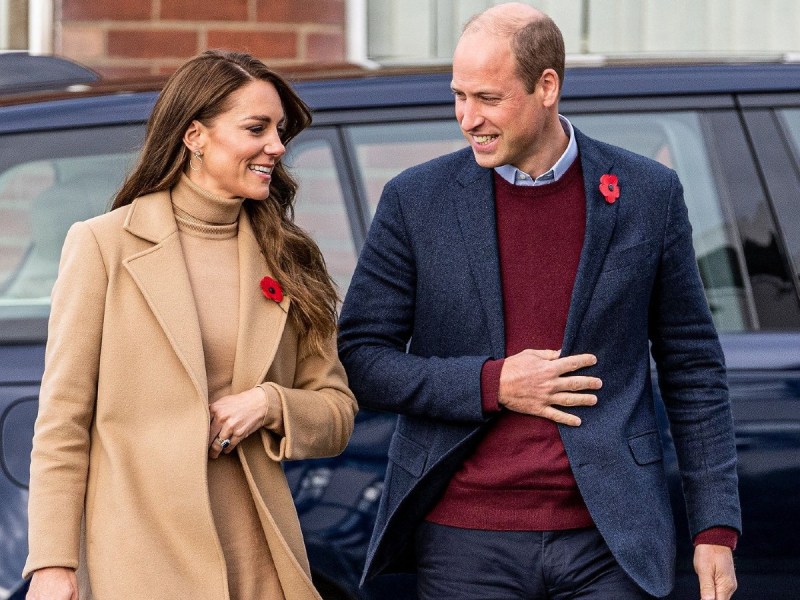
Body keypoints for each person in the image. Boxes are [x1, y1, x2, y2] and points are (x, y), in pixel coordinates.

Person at [338, 4, 740, 599]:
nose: (466, 118)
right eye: (458, 95)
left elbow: (693, 366)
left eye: (488, 98)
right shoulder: (414, 201)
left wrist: (716, 527)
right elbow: (363, 360)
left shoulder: (647, 193)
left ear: (547, 85)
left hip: (608, 540)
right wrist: (492, 385)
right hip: (464, 539)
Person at [24, 50, 357, 600]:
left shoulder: (290, 258)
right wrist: (53, 565)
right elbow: (63, 422)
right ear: (195, 135)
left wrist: (272, 404)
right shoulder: (103, 246)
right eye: (257, 128)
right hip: (140, 556)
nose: (276, 145)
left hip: (258, 557)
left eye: (279, 130)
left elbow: (338, 411)